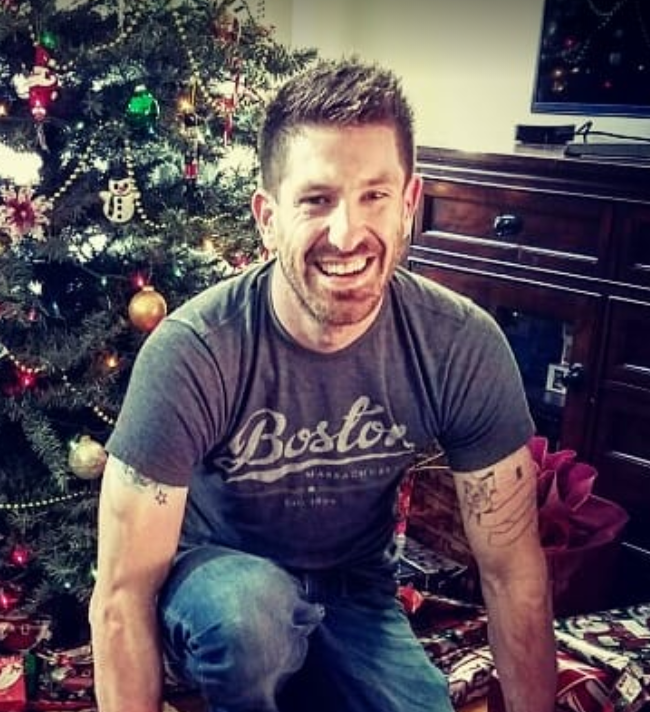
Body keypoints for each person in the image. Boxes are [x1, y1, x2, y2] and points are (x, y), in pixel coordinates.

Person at [89, 57, 557, 712]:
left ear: (409, 204)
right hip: (220, 581)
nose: (347, 233)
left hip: (356, 590)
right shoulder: (194, 351)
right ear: (267, 217)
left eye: (374, 196)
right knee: (249, 619)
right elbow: (121, 596)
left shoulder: (461, 345)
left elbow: (513, 575)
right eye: (316, 199)